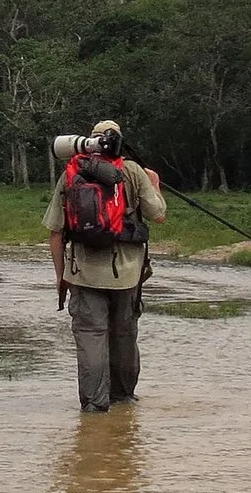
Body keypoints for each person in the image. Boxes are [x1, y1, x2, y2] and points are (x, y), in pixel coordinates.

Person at [44, 119, 168, 413]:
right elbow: (159, 214)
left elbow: (55, 232)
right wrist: (154, 183)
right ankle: (123, 401)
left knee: (91, 337)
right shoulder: (133, 171)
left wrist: (61, 276)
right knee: (124, 334)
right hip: (127, 275)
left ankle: (94, 407)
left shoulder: (72, 172)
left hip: (83, 275)